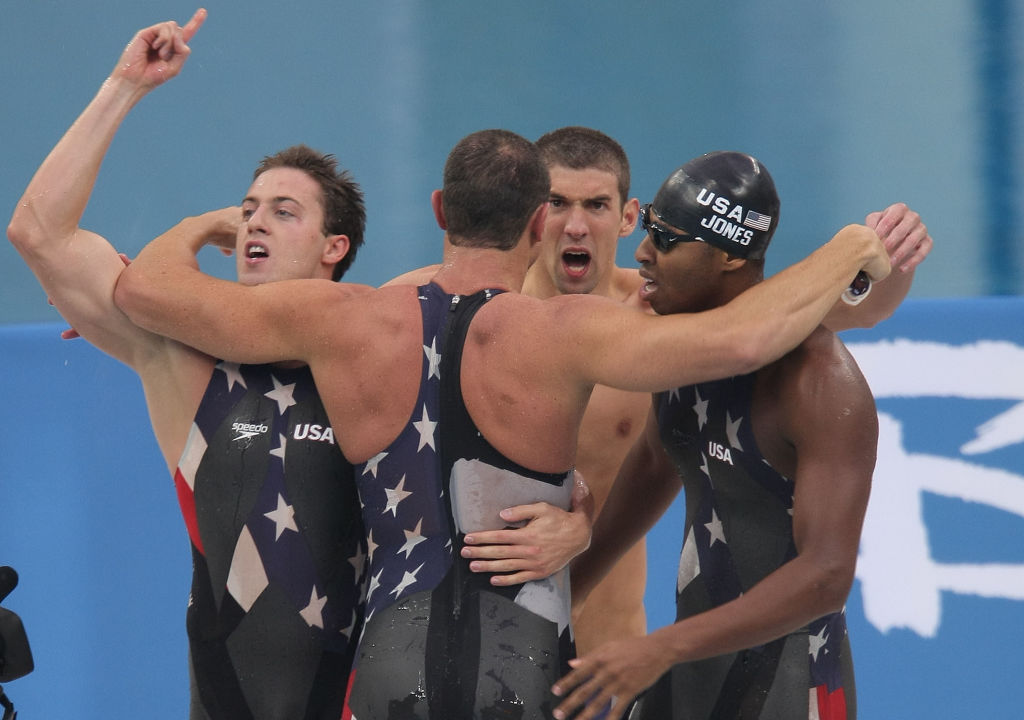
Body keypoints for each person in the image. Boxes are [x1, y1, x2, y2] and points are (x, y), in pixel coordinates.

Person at [113, 126, 890, 718]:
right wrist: (852, 247)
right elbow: (746, 337)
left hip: (391, 657)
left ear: (440, 210)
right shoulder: (579, 334)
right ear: (537, 226)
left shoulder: (340, 316)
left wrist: (203, 225)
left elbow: (142, 293)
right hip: (526, 665)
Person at [6, 13, 373, 719]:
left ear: (336, 247)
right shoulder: (184, 360)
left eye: (284, 212)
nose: (255, 223)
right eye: (247, 210)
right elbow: (38, 233)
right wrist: (125, 86)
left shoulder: (382, 356)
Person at [467, 126, 931, 661]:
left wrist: (888, 258)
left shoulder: (669, 323)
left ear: (625, 216)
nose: (575, 225)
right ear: (531, 214)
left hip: (613, 658)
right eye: (556, 203)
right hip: (499, 648)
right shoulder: (476, 324)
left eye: (596, 205)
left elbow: (850, 310)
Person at [552, 152, 921, 719]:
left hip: (789, 685)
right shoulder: (684, 344)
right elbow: (655, 460)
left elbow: (826, 576)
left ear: (725, 257)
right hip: (692, 673)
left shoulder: (818, 385)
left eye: (667, 241)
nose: (643, 253)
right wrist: (566, 593)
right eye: (649, 229)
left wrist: (659, 648)